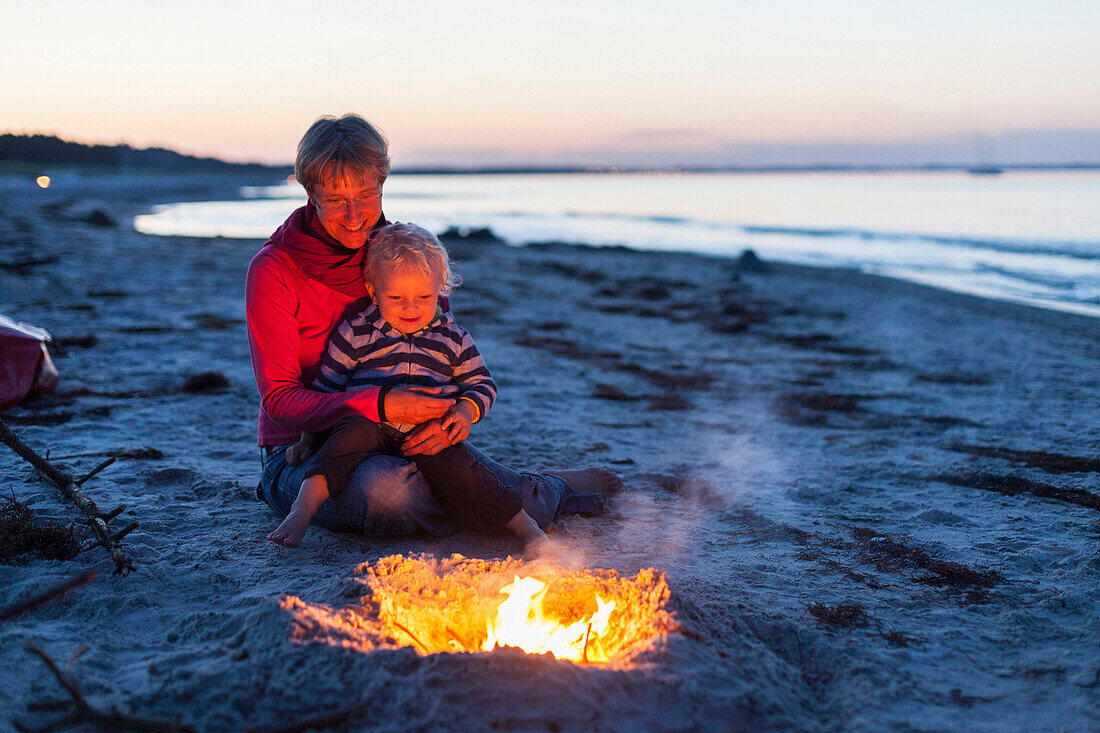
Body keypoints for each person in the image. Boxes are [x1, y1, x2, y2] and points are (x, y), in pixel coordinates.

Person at [247, 113, 618, 542]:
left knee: (441, 474)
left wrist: (450, 416)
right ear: (309, 191)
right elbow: (280, 400)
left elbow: (439, 360)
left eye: (367, 195)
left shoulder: (405, 259)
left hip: (405, 439)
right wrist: (380, 404)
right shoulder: (275, 269)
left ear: (383, 184)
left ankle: (534, 488)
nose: (354, 216)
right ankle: (529, 492)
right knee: (388, 495)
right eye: (335, 200)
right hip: (303, 452)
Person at [267, 223, 550, 554]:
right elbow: (328, 389)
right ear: (373, 291)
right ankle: (302, 511)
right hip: (367, 426)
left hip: (428, 432)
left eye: (425, 297)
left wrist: (464, 411)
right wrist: (308, 439)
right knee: (340, 446)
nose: (411, 308)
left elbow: (482, 384)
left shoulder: (453, 338)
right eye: (397, 297)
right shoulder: (356, 333)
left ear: (439, 289)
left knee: (468, 474)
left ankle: (526, 528)